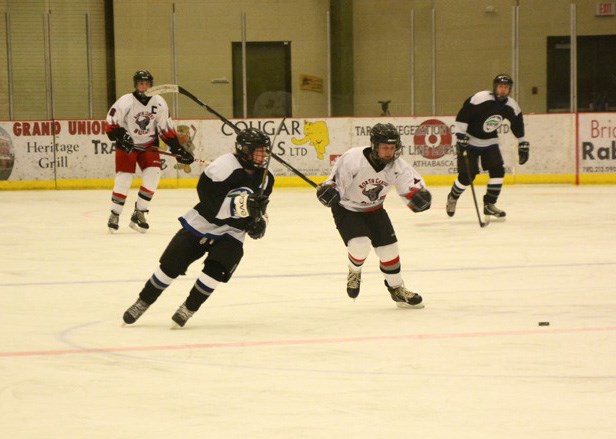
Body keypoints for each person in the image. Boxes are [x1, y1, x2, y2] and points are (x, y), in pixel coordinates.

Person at [122, 127, 273, 328]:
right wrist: (241, 205)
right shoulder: (223, 166)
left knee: (219, 268)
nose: (263, 156)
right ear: (244, 150)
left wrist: (257, 222)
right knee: (170, 265)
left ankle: (189, 308)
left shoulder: (266, 177)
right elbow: (208, 199)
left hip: (233, 231)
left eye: (265, 151)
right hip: (202, 223)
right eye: (259, 150)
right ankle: (143, 301)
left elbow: (260, 207)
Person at [315, 122, 431, 309]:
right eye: (385, 147)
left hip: (375, 209)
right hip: (347, 209)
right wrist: (331, 191)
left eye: (392, 148)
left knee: (390, 250)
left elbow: (410, 186)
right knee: (360, 246)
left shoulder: (397, 166)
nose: (389, 152)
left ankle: (397, 290)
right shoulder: (353, 158)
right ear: (375, 146)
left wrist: (417, 197)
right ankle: (354, 271)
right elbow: (336, 183)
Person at [104, 70, 194, 234]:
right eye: (141, 83)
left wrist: (179, 150)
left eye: (147, 84)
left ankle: (140, 212)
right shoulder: (126, 101)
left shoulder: (159, 102)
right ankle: (114, 214)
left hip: (148, 145)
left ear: (151, 85)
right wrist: (121, 135)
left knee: (153, 176)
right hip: (127, 146)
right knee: (124, 179)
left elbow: (165, 129)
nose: (144, 87)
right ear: (136, 85)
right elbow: (111, 122)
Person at [446, 74, 529, 219]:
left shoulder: (511, 105)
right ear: (495, 87)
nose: (503, 90)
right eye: (500, 87)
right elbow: (464, 115)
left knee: (498, 171)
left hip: (489, 141)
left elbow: (517, 123)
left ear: (509, 90)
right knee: (467, 177)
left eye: (506, 88)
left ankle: (489, 205)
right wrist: (460, 136)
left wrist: (522, 142)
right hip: (470, 140)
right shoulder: (481, 98)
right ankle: (453, 197)